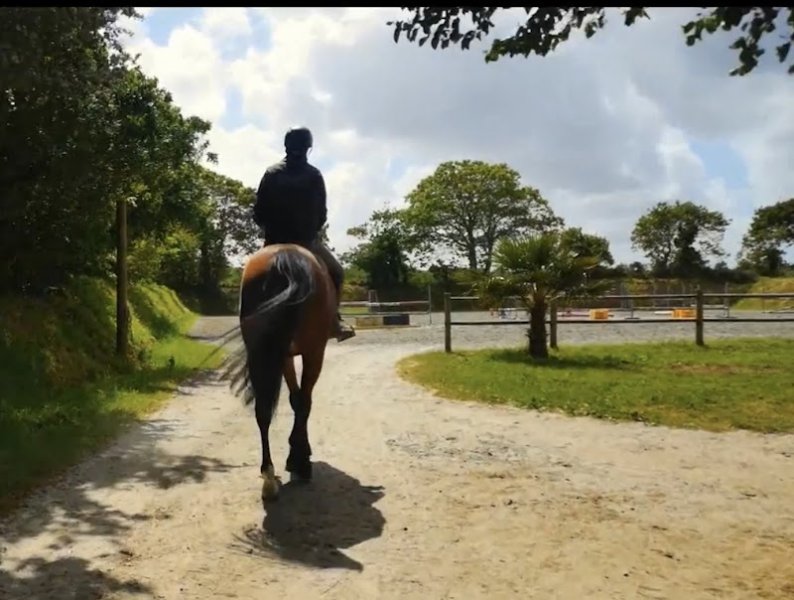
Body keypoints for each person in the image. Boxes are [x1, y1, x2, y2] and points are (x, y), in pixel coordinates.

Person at [252, 126, 356, 342]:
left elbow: (258, 213)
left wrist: (272, 231)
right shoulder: (314, 175)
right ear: (308, 148)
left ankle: (248, 322)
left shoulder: (271, 174)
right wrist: (309, 231)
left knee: (252, 277)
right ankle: (335, 322)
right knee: (336, 272)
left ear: (286, 146)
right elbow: (322, 214)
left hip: (273, 243)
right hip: (305, 243)